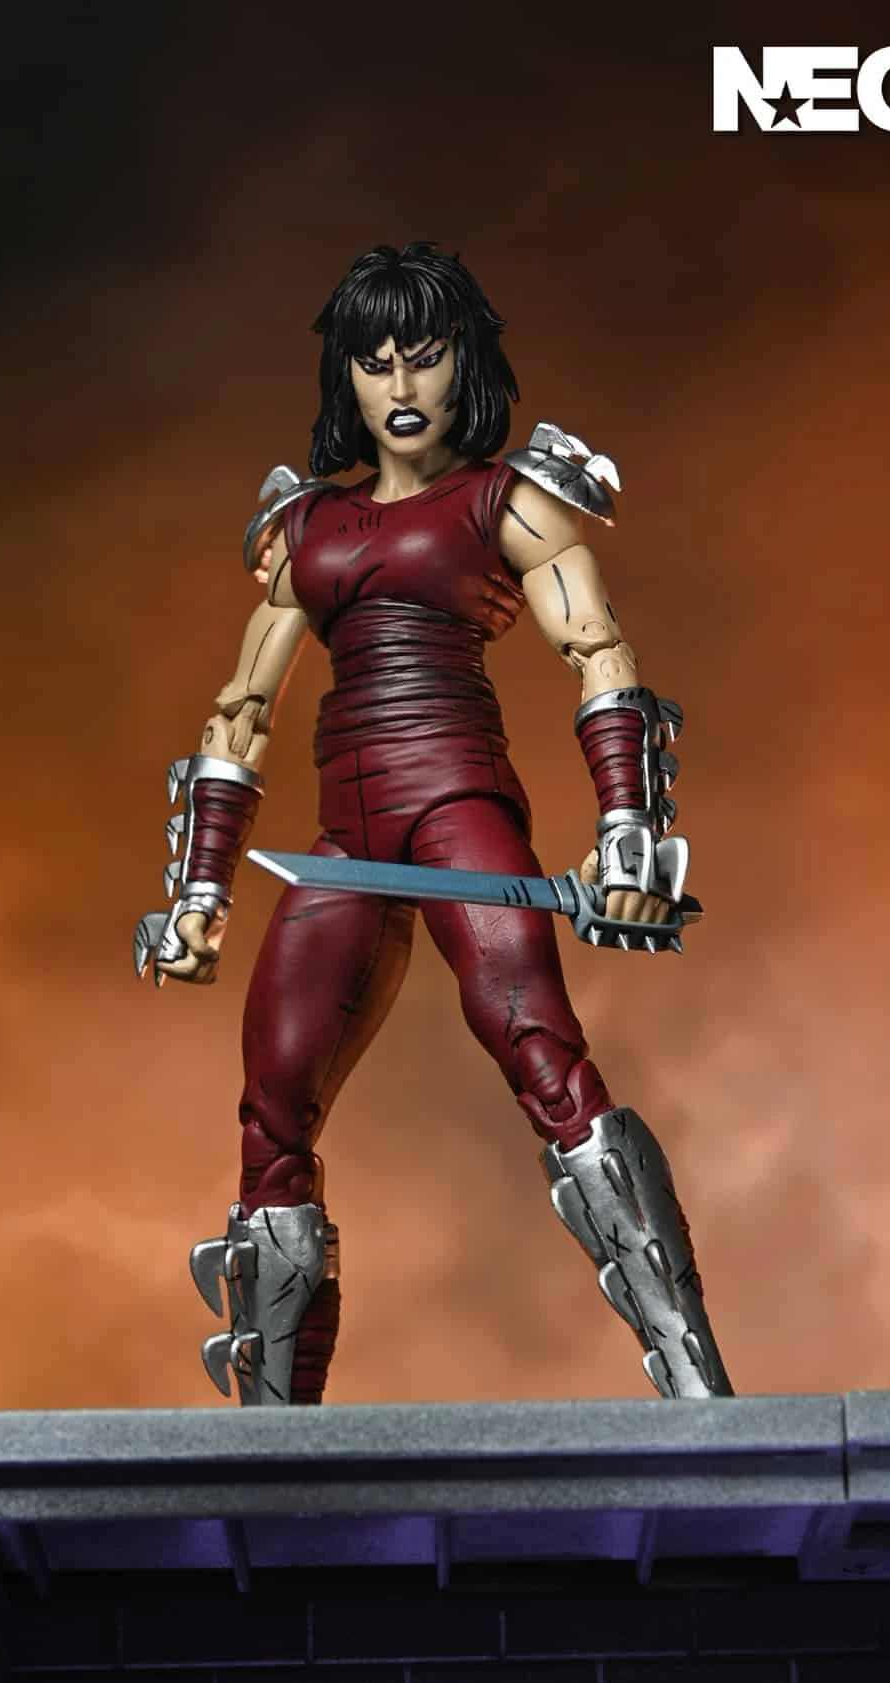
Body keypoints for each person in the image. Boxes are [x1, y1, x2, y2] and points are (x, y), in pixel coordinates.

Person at [136, 243, 733, 1406]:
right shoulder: (307, 526)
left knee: (542, 1051)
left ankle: (697, 1381)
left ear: (466, 363)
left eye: (425, 356)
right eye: (377, 363)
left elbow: (599, 652)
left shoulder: (511, 500)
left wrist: (629, 835)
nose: (402, 387)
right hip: (343, 847)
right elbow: (242, 707)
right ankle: (274, 1439)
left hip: (457, 803)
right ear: (347, 378)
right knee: (272, 1109)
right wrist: (200, 890)